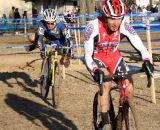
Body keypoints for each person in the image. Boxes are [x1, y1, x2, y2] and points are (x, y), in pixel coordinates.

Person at [84, 0, 154, 130]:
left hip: (114, 58)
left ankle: (121, 117)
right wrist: (95, 70)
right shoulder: (92, 27)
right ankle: (105, 122)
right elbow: (87, 56)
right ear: (105, 16)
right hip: (97, 58)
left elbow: (141, 47)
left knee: (128, 87)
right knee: (105, 83)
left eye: (119, 18)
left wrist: (147, 61)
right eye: (112, 18)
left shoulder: (124, 25)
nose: (116, 23)